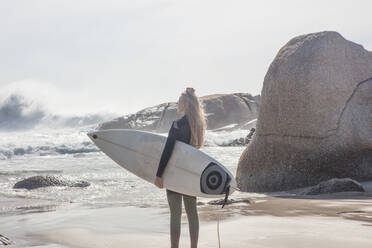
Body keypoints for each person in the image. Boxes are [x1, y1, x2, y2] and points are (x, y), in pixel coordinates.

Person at [154, 87, 206, 248]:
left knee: (175, 215)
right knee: (192, 214)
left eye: (179, 101)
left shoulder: (177, 124)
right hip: (191, 174)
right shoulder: (199, 125)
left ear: (185, 104)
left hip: (175, 174)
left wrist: (159, 174)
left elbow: (168, 151)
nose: (177, 104)